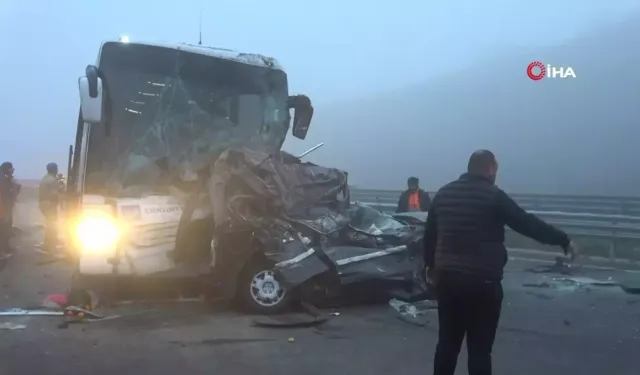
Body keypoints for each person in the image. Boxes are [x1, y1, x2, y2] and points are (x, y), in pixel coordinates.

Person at [424, 150, 578, 375]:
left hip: (448, 281)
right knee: (479, 351)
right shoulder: (493, 195)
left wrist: (430, 265)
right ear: (490, 169)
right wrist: (563, 240)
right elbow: (526, 223)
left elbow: (430, 235)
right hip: (482, 283)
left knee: (447, 346)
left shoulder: (443, 194)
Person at [39, 163, 62, 254]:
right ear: (54, 169)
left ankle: (46, 245)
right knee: (52, 226)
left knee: (49, 224)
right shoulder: (52, 180)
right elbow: (54, 194)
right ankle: (52, 248)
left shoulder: (46, 178)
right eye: (56, 168)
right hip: (49, 204)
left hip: (43, 203)